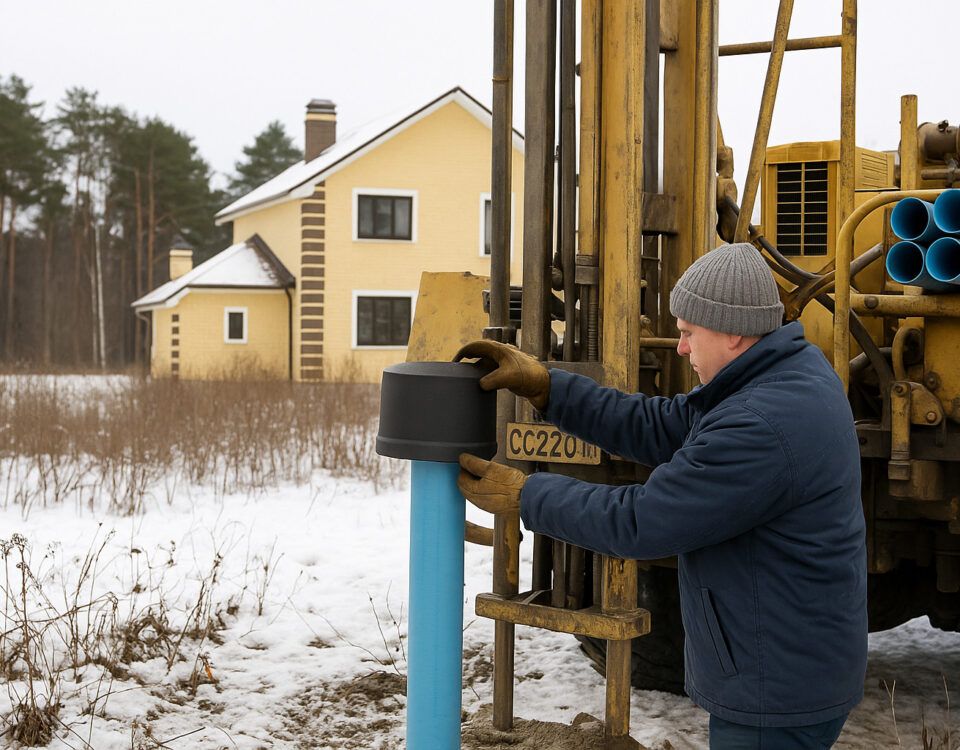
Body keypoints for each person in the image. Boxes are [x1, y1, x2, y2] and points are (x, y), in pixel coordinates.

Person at [456, 242, 867, 750]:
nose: (681, 348)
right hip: (788, 662)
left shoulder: (763, 422)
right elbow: (661, 424)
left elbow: (643, 521)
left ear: (734, 331)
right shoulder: (779, 379)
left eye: (689, 333)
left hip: (774, 686)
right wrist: (548, 387)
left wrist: (528, 496)